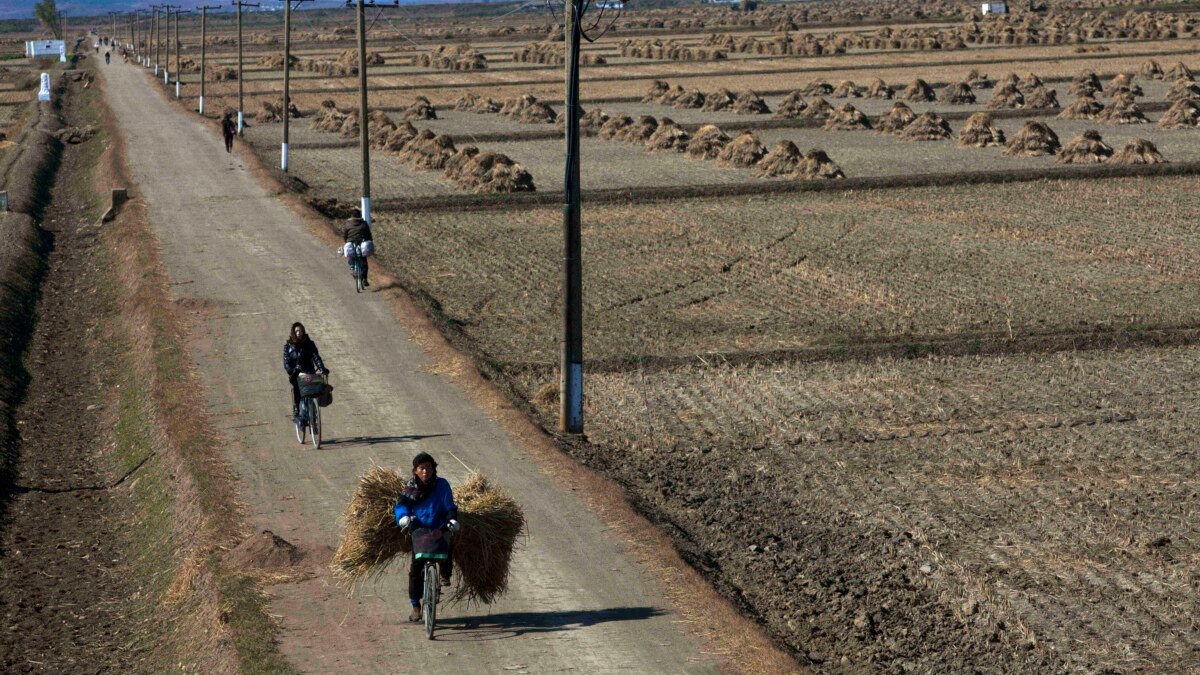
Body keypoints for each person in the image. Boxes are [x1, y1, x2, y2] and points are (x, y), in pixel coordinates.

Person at [394, 452, 459, 623]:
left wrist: (452, 519)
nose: (425, 472)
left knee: (447, 545)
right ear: (415, 471)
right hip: (419, 529)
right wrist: (403, 517)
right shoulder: (410, 488)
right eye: (422, 468)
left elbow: (449, 506)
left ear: (433, 469)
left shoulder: (442, 485)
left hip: (439, 526)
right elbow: (402, 506)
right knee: (416, 567)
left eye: (428, 468)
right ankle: (416, 606)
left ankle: (445, 575)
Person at [282, 322, 327, 419]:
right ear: (293, 332)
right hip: (296, 374)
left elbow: (316, 357)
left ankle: (314, 413)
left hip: (309, 372)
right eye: (296, 331)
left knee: (316, 387)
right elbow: (286, 363)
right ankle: (296, 407)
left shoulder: (310, 344)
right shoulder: (288, 347)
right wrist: (292, 371)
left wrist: (322, 368)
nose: (298, 333)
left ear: (303, 331)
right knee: (297, 387)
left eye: (300, 330)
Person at [342, 207, 373, 287]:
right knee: (363, 261)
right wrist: (370, 240)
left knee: (350, 254)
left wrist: (346, 240)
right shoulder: (364, 223)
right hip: (362, 242)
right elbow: (368, 234)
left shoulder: (347, 223)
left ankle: (352, 267)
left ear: (351, 216)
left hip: (351, 242)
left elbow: (345, 234)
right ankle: (364, 279)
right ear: (359, 215)